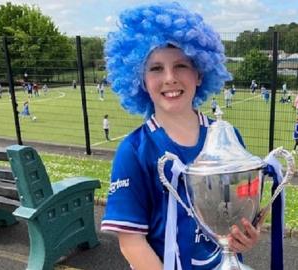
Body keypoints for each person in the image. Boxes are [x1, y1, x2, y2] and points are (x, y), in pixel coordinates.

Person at [100, 4, 261, 270]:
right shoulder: (134, 150)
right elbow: (131, 243)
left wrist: (247, 235)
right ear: (140, 81)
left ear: (199, 73)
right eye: (156, 69)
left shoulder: (227, 136)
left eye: (181, 65)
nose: (170, 78)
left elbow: (242, 211)